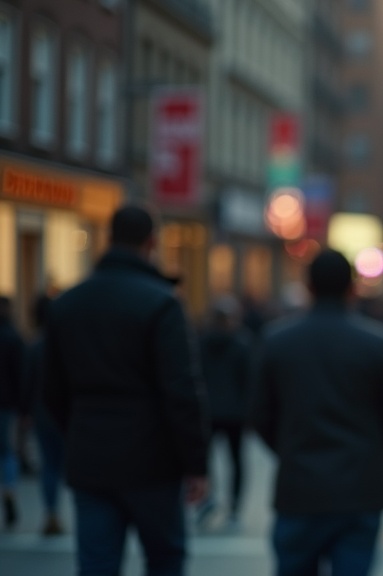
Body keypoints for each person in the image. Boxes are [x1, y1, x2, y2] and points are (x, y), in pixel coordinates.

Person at [44, 204, 209, 575]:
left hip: (90, 453)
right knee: (164, 557)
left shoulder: (68, 304)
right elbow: (182, 390)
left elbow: (50, 389)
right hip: (153, 458)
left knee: (97, 562)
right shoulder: (162, 304)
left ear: (108, 239)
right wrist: (195, 463)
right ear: (151, 243)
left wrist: (77, 430)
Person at [250, 249, 383, 576]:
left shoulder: (277, 341)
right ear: (352, 288)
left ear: (308, 287)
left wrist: (288, 448)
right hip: (360, 487)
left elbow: (259, 414)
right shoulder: (376, 342)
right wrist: (375, 450)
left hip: (299, 486)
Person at [194, 295, 253, 531]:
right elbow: (250, 380)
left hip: (207, 411)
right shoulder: (242, 343)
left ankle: (207, 499)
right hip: (235, 413)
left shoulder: (200, 342)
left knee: (205, 460)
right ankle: (234, 509)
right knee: (237, 462)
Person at [23, 293, 67, 535]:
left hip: (42, 413)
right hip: (61, 414)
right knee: (62, 465)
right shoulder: (63, 343)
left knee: (49, 465)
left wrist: (26, 411)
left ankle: (51, 512)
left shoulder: (35, 345)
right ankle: (56, 513)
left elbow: (27, 382)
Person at [0, 295, 26, 529]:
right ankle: (9, 490)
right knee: (7, 450)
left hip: (8, 403)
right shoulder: (13, 338)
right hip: (7, 403)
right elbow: (21, 375)